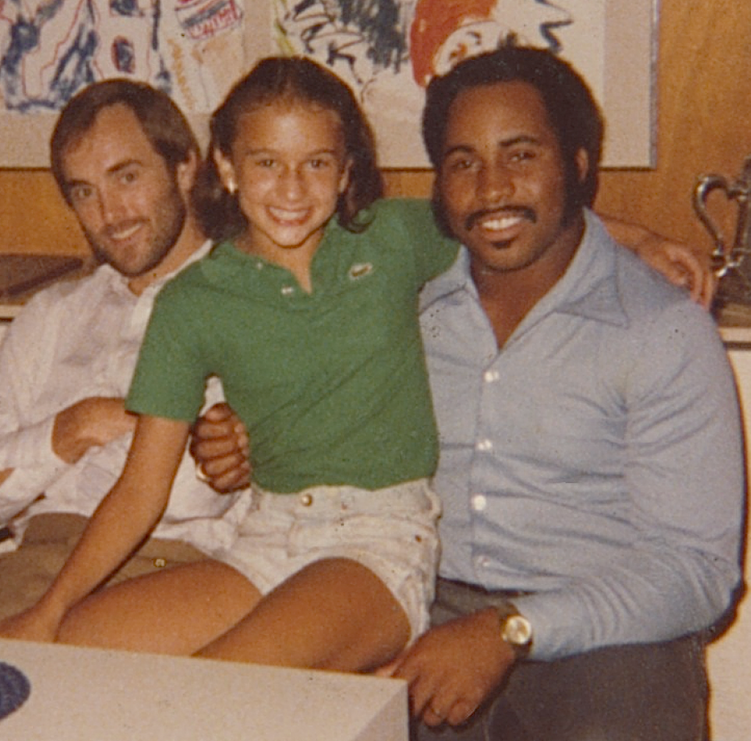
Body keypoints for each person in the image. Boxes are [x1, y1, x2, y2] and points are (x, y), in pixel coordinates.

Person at [195, 48, 744, 740]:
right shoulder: (398, 295)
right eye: (462, 162)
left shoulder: (660, 328)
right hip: (422, 604)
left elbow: (696, 570)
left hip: (609, 634)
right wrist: (237, 434)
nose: (491, 189)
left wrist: (513, 629)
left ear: (578, 164)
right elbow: (302, 378)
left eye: (520, 156)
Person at [0, 56, 461, 672]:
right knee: (81, 646)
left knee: (222, 680)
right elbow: (140, 489)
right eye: (267, 164)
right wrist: (47, 614)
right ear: (227, 169)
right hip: (266, 539)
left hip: (380, 539)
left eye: (315, 164)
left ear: (347, 171)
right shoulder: (193, 300)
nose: (291, 190)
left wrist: (624, 235)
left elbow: (510, 224)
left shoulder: (393, 237)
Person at [0, 79, 250, 634]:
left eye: (126, 177)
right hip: (21, 576)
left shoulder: (248, 300)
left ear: (185, 167)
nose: (110, 214)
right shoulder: (53, 313)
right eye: (84, 192)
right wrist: (77, 426)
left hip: (167, 572)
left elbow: (193, 490)